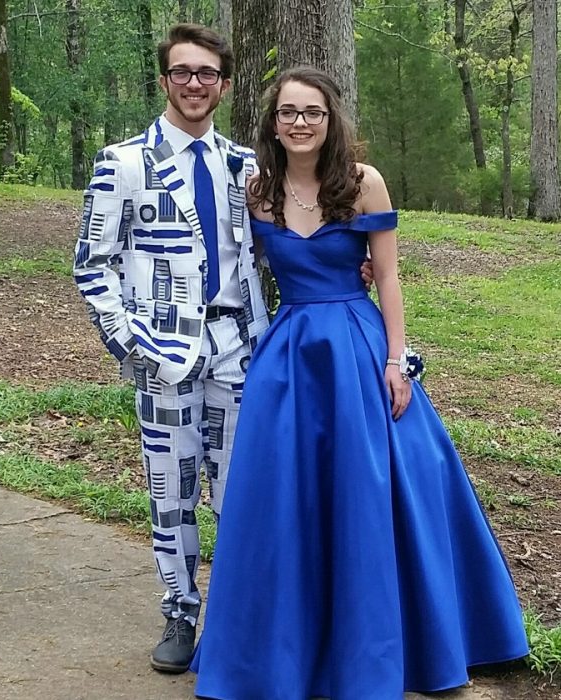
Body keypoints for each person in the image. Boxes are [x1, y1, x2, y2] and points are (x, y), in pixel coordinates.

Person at [190, 67, 529, 699]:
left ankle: (397, 643)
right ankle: (278, 651)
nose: (299, 122)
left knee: (381, 484)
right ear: (272, 121)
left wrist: (397, 360)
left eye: (311, 112)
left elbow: (391, 278)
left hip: (355, 343)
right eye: (288, 112)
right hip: (289, 356)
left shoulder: (363, 183)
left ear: (331, 118)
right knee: (281, 498)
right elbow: (232, 265)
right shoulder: (256, 191)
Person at [73, 24, 375, 674]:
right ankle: (180, 613)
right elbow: (91, 267)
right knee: (171, 489)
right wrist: (133, 346)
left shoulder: (247, 167)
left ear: (223, 84)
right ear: (164, 80)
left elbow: (292, 240)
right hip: (164, 357)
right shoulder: (122, 163)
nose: (193, 83)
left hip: (243, 351)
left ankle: (247, 623)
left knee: (246, 489)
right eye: (181, 72)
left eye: (206, 73)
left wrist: (357, 268)